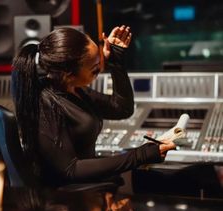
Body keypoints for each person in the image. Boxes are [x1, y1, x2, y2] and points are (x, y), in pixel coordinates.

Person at [12, 25, 175, 187]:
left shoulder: (74, 88)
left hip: (87, 187)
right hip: (64, 202)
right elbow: (71, 169)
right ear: (68, 74)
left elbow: (121, 108)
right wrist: (140, 155)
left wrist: (115, 60)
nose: (100, 71)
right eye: (95, 70)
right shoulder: (45, 103)